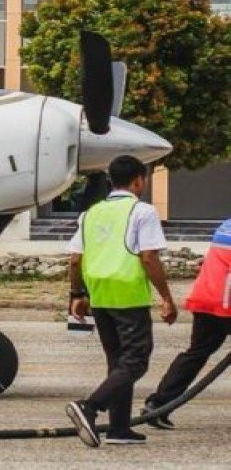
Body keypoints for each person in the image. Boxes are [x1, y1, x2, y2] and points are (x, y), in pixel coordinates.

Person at [64, 155, 176, 448]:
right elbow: (149, 257)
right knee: (136, 361)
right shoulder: (142, 211)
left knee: (118, 363)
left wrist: (78, 295)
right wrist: (166, 297)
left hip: (100, 296)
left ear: (112, 181)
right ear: (139, 180)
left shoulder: (90, 214)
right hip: (128, 296)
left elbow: (75, 260)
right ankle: (90, 407)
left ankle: (119, 429)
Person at [142, 217, 231, 429]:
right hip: (226, 300)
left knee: (196, 353)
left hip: (206, 295)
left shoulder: (226, 224)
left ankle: (158, 404)